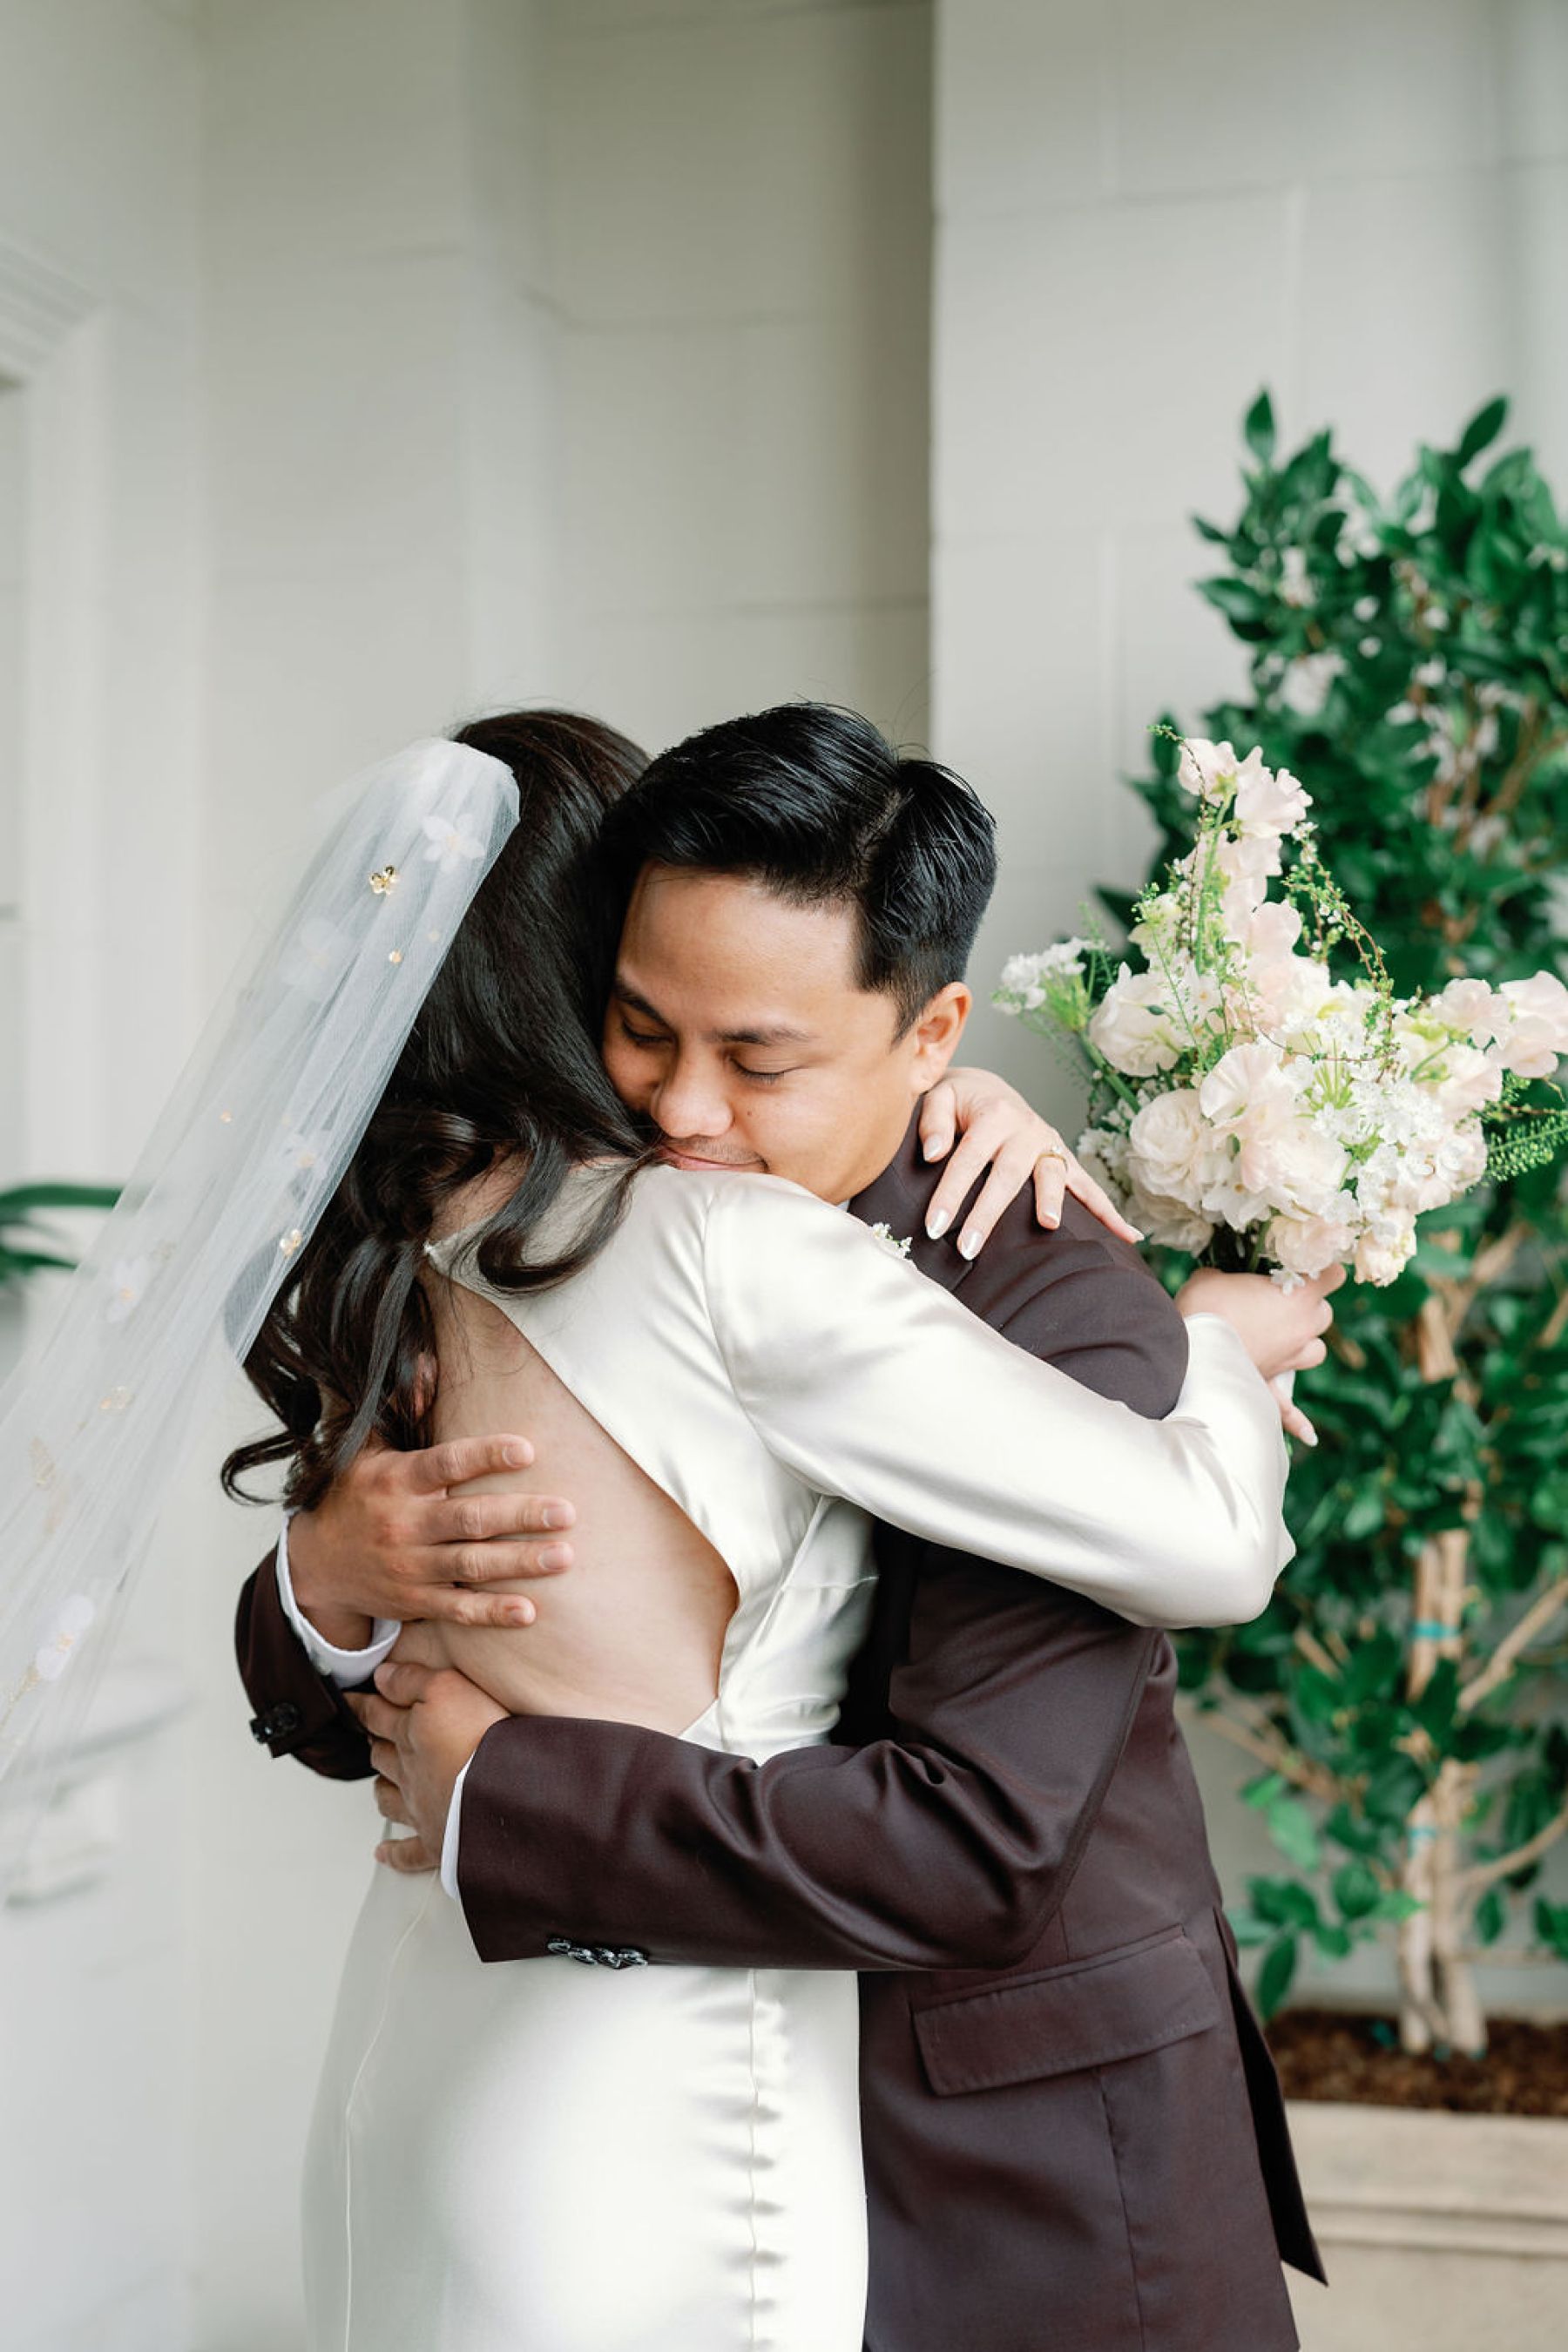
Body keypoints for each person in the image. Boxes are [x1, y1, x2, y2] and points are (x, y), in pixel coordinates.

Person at [235, 705, 1328, 2352]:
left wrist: (1206, 1353)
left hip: (1005, 2149)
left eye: (757, 1060)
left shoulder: (1046, 1295)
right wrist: (322, 1580)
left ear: (932, 1032)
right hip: (643, 2086)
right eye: (635, 1026)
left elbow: (980, 1843)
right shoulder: (533, 1244)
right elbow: (386, 1688)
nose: (683, 1110)